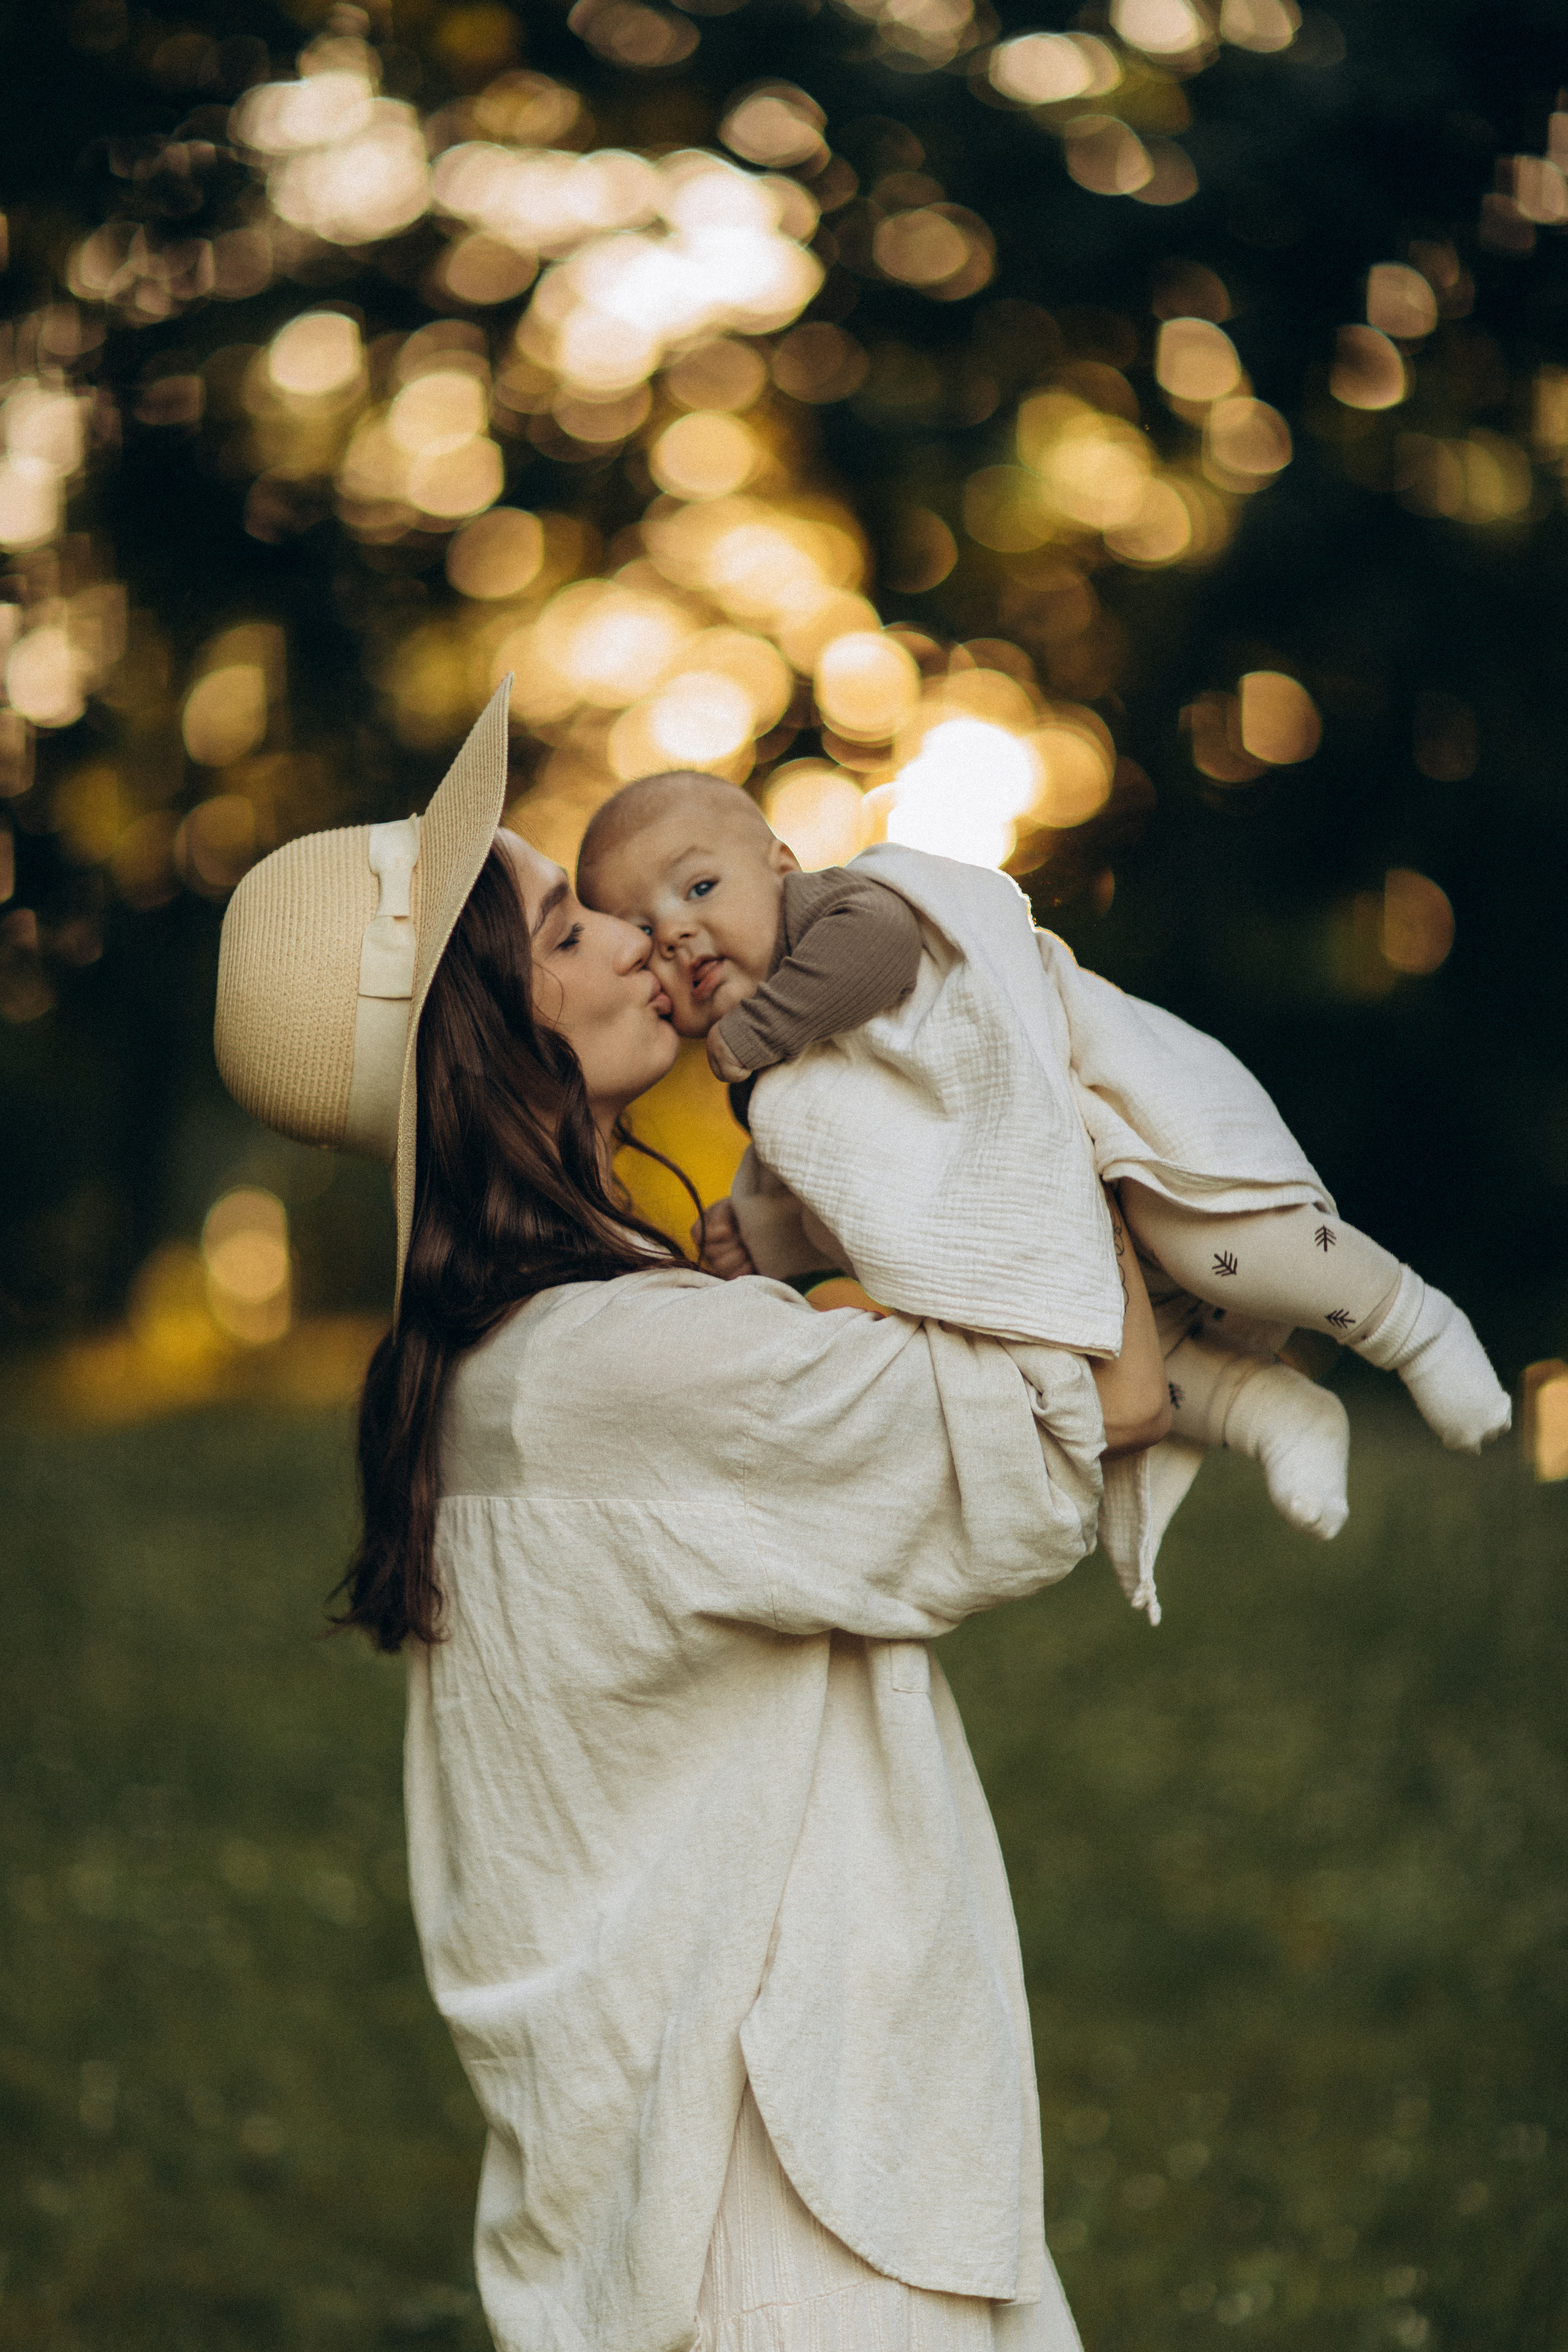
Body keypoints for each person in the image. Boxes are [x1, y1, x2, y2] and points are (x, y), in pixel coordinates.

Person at [211, 682, 1172, 2352]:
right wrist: (1033, 1055)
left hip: (679, 2207)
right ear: (491, 1035)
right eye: (571, 925)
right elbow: (1070, 1420)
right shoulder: (631, 1365)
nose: (646, 937)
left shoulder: (500, 1368)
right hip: (799, 2218)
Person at [576, 770, 1511, 1567]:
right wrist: (772, 1237)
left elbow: (886, 950)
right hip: (1033, 1224)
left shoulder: (836, 911)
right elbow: (873, 1206)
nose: (673, 934)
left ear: (779, 864)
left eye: (697, 888)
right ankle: (1273, 1415)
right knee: (1080, 1350)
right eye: (637, 928)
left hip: (1101, 1123)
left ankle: (1413, 1324)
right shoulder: (772, 1097)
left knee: (1212, 1237)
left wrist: (756, 1031)